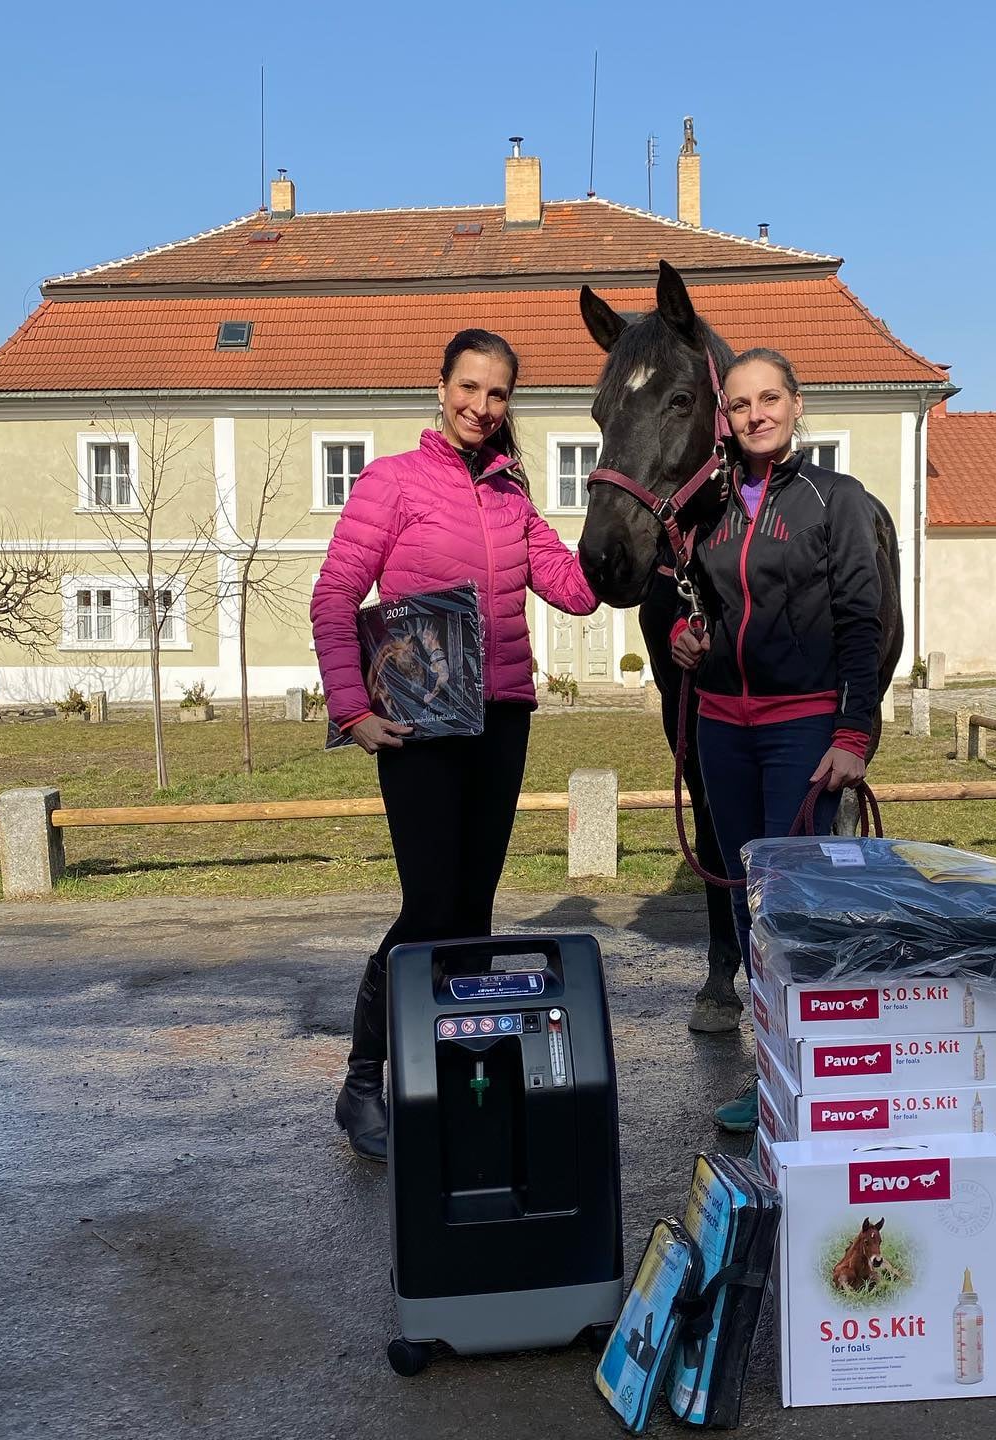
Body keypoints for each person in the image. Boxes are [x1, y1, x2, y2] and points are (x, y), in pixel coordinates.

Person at [311, 329, 598, 1161]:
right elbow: (334, 594)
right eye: (468, 388)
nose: (481, 406)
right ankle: (365, 1078)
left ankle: (448, 1076)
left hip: (502, 718)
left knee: (471, 915)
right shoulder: (392, 483)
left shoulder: (515, 498)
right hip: (419, 725)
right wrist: (352, 708)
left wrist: (639, 533)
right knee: (431, 908)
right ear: (441, 388)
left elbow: (575, 592)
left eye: (498, 393)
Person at [671, 347, 884, 1133]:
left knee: (795, 908)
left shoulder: (839, 501)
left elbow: (865, 625)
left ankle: (822, 1077)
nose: (754, 414)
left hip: (803, 728)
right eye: (738, 404)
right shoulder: (705, 511)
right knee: (739, 903)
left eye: (769, 399)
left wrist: (854, 732)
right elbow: (689, 604)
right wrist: (683, 639)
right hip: (722, 727)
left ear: (797, 405)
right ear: (723, 418)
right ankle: (770, 1079)